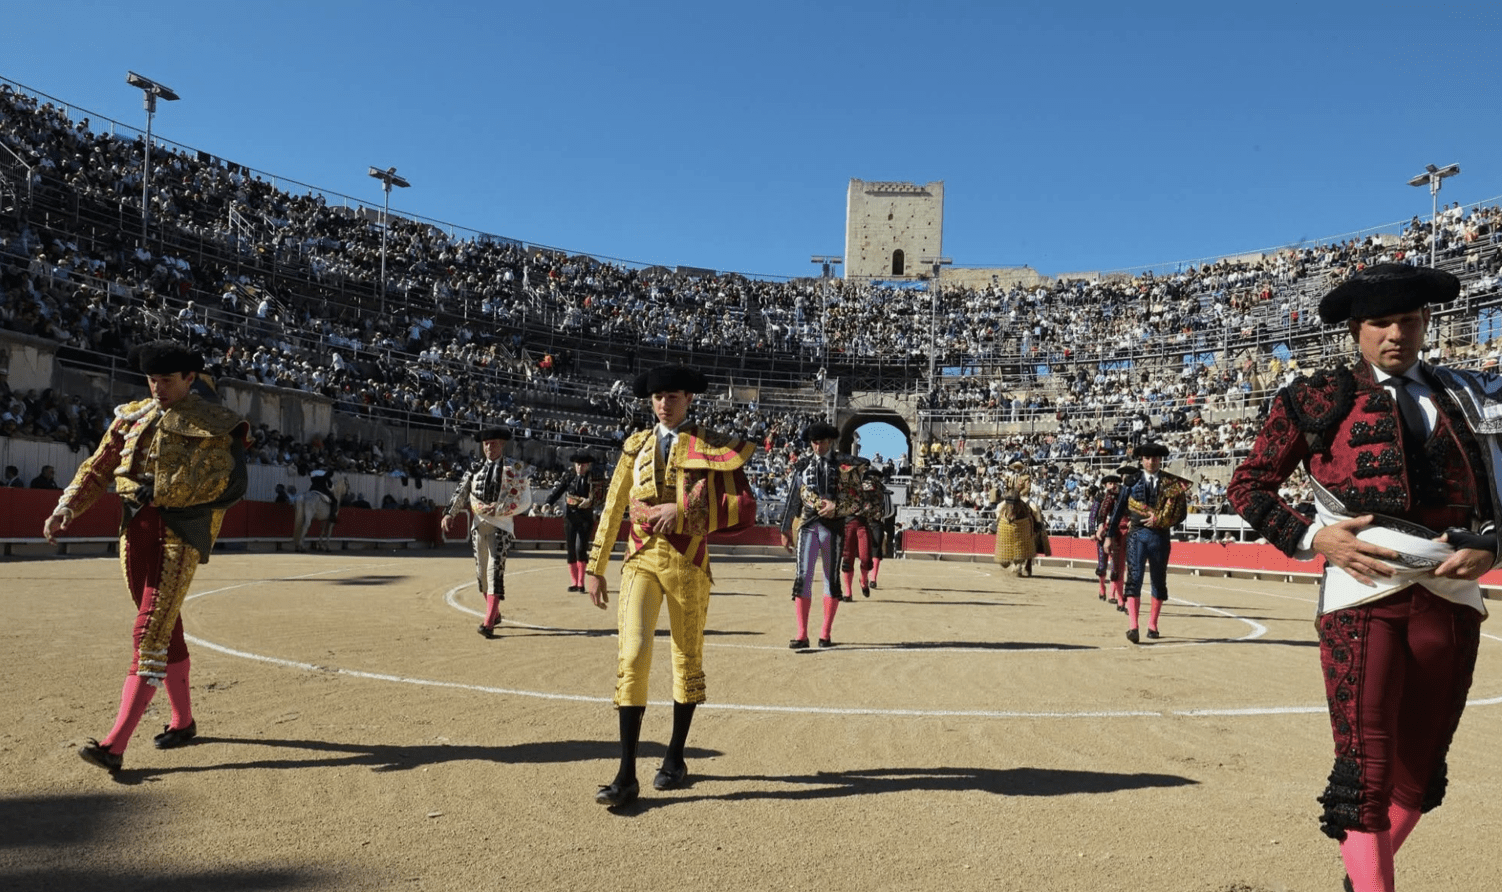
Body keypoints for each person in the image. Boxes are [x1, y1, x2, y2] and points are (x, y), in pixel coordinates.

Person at [1226, 264, 1497, 892]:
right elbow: (1249, 485)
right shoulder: (1315, 396)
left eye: (1407, 320)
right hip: (1361, 596)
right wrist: (1313, 536)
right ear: (1357, 330)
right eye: (1380, 323)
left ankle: (1360, 876)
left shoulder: (1471, 395)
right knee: (1365, 769)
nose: (1395, 334)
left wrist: (1493, 547)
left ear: (1426, 321)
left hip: (1452, 592)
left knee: (1420, 770)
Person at [44, 342, 249, 772]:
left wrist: (160, 491)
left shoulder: (216, 423)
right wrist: (67, 507)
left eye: (167, 381)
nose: (157, 388)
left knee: (148, 631)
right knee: (165, 625)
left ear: (190, 379)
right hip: (134, 533)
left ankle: (113, 745)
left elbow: (225, 484)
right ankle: (184, 720)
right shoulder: (132, 415)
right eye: (152, 380)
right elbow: (99, 467)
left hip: (178, 534)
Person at [584, 366, 755, 807]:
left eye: (673, 396)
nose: (664, 403)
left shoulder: (712, 446)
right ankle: (625, 775)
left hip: (688, 561)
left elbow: (743, 508)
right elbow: (615, 504)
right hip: (640, 557)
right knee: (634, 654)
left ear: (689, 400)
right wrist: (595, 565)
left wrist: (681, 513)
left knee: (686, 659)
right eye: (658, 396)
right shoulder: (635, 446)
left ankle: (675, 758)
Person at [441, 426, 532, 638]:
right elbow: (461, 492)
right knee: (482, 573)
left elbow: (525, 500)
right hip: (479, 524)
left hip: (501, 525)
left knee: (494, 571)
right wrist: (449, 514)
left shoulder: (516, 468)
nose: (489, 447)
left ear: (502, 444)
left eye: (493, 443)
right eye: (486, 444)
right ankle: (495, 612)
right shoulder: (474, 468)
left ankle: (489, 623)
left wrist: (501, 508)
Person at [780, 421, 860, 648]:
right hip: (808, 526)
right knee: (803, 577)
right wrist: (785, 528)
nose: (818, 447)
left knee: (830, 579)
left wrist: (838, 506)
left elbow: (859, 499)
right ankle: (802, 634)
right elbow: (793, 499)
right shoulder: (802, 466)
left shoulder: (846, 465)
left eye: (822, 442)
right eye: (814, 443)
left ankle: (825, 634)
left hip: (833, 528)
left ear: (831, 441)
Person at [1105, 443, 1190, 643]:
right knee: (1134, 579)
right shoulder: (1131, 482)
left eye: (1155, 458)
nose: (1151, 462)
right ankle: (1133, 626)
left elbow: (1181, 514)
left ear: (1160, 460)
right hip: (1136, 535)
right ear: (1141, 460)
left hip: (1160, 536)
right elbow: (1118, 512)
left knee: (1159, 580)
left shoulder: (1171, 483)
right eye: (1148, 458)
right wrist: (1109, 535)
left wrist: (1161, 520)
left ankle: (1153, 624)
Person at [544, 450, 602, 592]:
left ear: (587, 465)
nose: (579, 468)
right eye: (577, 465)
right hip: (570, 517)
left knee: (580, 549)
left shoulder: (593, 478)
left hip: (585, 518)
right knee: (571, 549)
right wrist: (548, 502)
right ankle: (574, 582)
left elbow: (600, 496)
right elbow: (559, 490)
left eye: (582, 465)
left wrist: (590, 501)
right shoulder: (569, 476)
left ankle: (581, 583)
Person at [993, 459, 1045, 576]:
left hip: (1022, 497)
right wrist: (1006, 486)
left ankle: (1037, 525)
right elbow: (1008, 488)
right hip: (1011, 499)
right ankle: (996, 524)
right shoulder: (1010, 477)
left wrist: (1019, 494)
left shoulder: (1026, 477)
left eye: (1019, 467)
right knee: (999, 507)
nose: (1017, 469)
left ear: (1021, 468)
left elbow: (1027, 488)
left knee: (1035, 508)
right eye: (1015, 467)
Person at [841, 466, 884, 599]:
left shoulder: (875, 489)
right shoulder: (846, 484)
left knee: (865, 558)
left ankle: (863, 580)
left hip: (863, 523)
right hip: (848, 522)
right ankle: (848, 592)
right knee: (848, 558)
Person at [1089, 472, 1126, 605]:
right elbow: (1093, 515)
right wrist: (1093, 531)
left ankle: (1112, 594)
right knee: (1102, 565)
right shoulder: (1100, 497)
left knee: (1117, 565)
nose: (1112, 485)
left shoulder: (1122, 496)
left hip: (1117, 533)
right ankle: (1102, 587)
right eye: (1110, 483)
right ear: (1105, 485)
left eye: (1114, 483)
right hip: (1103, 533)